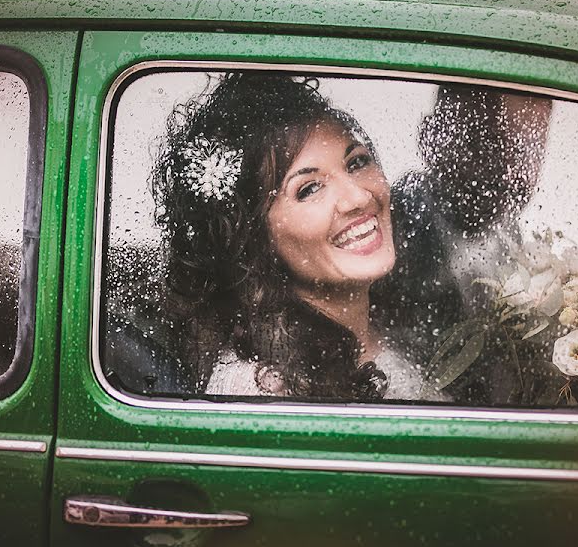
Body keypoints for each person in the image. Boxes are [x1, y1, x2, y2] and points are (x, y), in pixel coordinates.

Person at [152, 72, 444, 401]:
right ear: (256, 239)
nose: (359, 198)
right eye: (309, 189)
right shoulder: (261, 389)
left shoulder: (414, 322)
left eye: (357, 162)